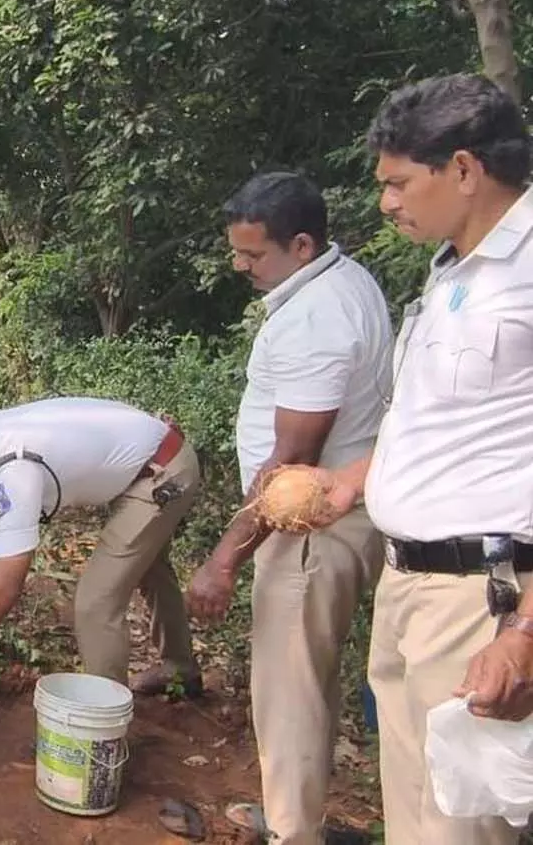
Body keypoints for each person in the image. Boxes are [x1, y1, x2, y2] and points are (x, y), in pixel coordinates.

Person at [306, 74, 533, 845]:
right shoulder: (450, 272)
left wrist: (525, 635)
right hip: (409, 585)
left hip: (482, 598)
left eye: (399, 182)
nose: (386, 203)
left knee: (461, 829)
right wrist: (354, 479)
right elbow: (434, 419)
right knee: (412, 814)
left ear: (464, 170)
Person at [185, 171, 392, 844]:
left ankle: (291, 834)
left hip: (308, 528)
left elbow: (292, 463)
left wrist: (224, 558)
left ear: (301, 244)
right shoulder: (343, 283)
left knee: (291, 690)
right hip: (332, 519)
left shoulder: (315, 317)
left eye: (253, 255)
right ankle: (292, 816)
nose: (241, 267)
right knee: (309, 677)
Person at [0, 396, 203, 707]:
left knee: (95, 601)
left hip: (163, 470)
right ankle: (180, 669)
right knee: (147, 565)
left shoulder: (12, 474)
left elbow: (4, 588)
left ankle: (105, 733)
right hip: (147, 458)